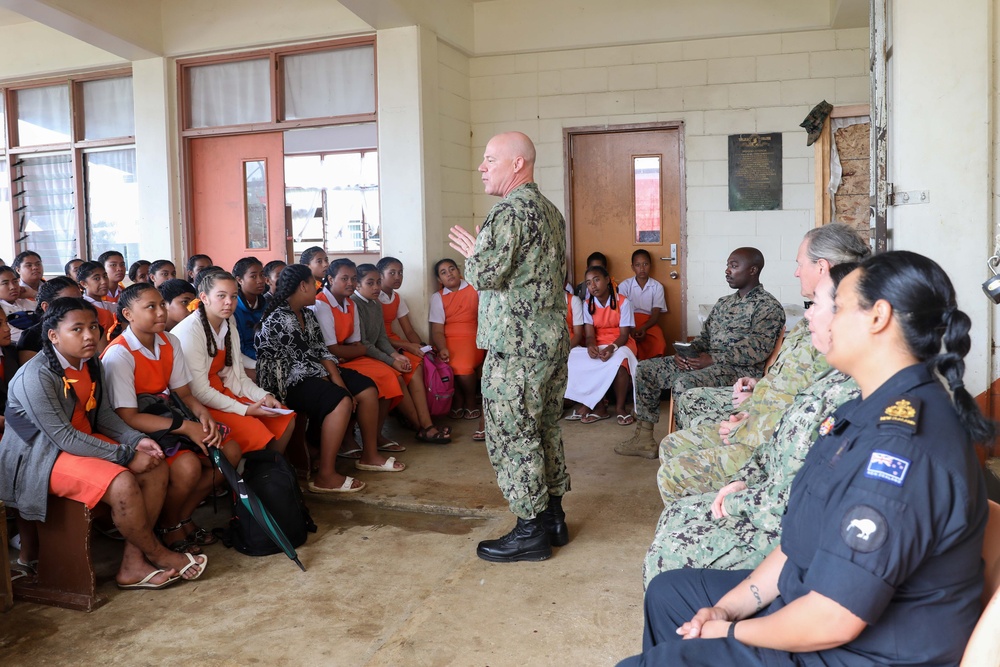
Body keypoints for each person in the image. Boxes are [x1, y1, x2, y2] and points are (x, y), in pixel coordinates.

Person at [618, 251, 992, 667]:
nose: (823, 320)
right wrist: (731, 607)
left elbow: (832, 619)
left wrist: (727, 631)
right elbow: (800, 541)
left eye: (837, 307)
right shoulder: (862, 409)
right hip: (812, 594)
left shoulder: (899, 452)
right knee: (669, 593)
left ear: (878, 317)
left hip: (853, 651)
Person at [642, 265, 859, 589]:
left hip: (782, 515)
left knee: (672, 538)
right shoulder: (830, 382)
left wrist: (738, 490)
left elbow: (804, 488)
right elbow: (781, 408)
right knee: (674, 509)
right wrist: (746, 409)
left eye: (817, 306)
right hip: (762, 452)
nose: (807, 316)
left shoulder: (853, 393)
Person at [647, 225, 871, 500]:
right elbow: (785, 382)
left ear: (822, 267)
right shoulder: (807, 321)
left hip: (769, 435)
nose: (796, 272)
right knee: (670, 438)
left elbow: (809, 414)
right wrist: (751, 389)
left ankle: (707, 520)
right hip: (756, 410)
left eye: (800, 264)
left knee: (676, 456)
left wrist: (747, 424)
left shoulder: (835, 335)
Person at [0, 298, 207, 589]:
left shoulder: (89, 361)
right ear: (54, 336)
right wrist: (124, 455)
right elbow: (62, 437)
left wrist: (137, 441)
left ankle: (132, 564)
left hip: (80, 442)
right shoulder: (36, 376)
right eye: (77, 329)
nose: (89, 335)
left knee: (155, 466)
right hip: (42, 455)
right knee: (122, 480)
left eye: (93, 327)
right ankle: (157, 553)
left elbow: (104, 414)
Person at [448, 131, 570, 562]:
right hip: (550, 342)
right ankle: (553, 518)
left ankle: (530, 530)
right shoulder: (551, 212)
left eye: (489, 160)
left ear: (517, 164)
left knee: (512, 435)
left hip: (517, 349)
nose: (481, 167)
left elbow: (484, 276)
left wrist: (475, 250)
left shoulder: (509, 212)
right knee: (544, 429)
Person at [102, 283, 241, 554]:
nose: (160, 312)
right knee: (188, 466)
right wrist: (186, 428)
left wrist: (203, 417)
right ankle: (168, 524)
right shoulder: (120, 353)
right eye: (150, 307)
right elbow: (128, 417)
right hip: (136, 427)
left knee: (230, 450)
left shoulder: (168, 341)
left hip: (167, 416)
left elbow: (184, 393)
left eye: (162, 305)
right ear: (128, 314)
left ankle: (180, 516)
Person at [616, 247, 785, 458]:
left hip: (737, 371)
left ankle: (684, 448)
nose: (727, 270)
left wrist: (712, 359)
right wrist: (689, 353)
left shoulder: (768, 306)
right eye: (727, 265)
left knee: (684, 383)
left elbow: (758, 348)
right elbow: (704, 337)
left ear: (752, 270)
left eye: (733, 266)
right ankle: (644, 439)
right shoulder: (724, 303)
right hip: (705, 362)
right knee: (647, 369)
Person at [255, 264, 384, 492]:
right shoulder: (280, 319)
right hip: (284, 381)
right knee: (340, 401)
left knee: (366, 388)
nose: (318, 287)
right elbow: (300, 362)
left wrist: (339, 381)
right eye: (314, 284)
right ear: (302, 286)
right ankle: (326, 475)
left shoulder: (306, 313)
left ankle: (370, 456)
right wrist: (337, 388)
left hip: (311, 370)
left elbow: (321, 350)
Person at [172, 270, 296, 455]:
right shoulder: (190, 331)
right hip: (199, 403)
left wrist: (263, 396)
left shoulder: (228, 323)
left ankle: (273, 471)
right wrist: (245, 411)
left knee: (285, 418)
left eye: (234, 296)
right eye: (221, 296)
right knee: (256, 432)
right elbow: (198, 391)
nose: (229, 302)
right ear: (204, 298)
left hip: (224, 391)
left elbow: (238, 376)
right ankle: (253, 478)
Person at [314, 258, 409, 456]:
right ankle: (349, 438)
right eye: (344, 278)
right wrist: (354, 350)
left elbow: (357, 343)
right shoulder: (321, 304)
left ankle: (375, 434)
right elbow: (331, 348)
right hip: (329, 362)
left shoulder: (350, 304)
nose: (350, 283)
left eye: (353, 278)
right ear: (330, 279)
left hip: (349, 356)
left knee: (390, 376)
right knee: (373, 383)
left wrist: (354, 350)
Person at [353, 263, 450, 444]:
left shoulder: (375, 303)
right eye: (370, 283)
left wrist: (397, 355)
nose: (376, 287)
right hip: (364, 354)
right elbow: (365, 343)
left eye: (378, 282)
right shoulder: (355, 304)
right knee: (398, 375)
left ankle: (425, 424)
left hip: (380, 349)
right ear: (358, 285)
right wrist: (392, 359)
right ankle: (423, 426)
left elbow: (381, 337)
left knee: (413, 365)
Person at [565, 265, 638, 424]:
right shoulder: (587, 303)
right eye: (589, 283)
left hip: (620, 343)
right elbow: (590, 335)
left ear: (607, 280)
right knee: (578, 360)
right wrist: (591, 346)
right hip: (599, 342)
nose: (593, 286)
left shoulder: (623, 302)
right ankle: (598, 406)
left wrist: (612, 348)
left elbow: (624, 335)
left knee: (621, 362)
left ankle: (620, 408)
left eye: (596, 280)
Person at [428, 258, 485, 421]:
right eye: (443, 273)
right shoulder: (437, 297)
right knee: (448, 362)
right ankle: (458, 399)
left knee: (464, 367)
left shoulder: (475, 289)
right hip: (448, 339)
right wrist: (442, 347)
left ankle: (469, 401)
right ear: (439, 280)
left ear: (459, 271)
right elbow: (437, 330)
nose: (449, 274)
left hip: (472, 337)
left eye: (451, 269)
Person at [17, 276, 81, 364]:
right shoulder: (31, 338)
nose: (79, 307)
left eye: (81, 301)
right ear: (46, 307)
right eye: (68, 303)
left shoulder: (90, 328)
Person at [618, 249, 668, 360]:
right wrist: (632, 329)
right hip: (628, 322)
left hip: (649, 323)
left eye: (645, 264)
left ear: (651, 265)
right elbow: (621, 312)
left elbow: (655, 314)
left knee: (659, 343)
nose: (642, 268)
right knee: (625, 343)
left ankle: (653, 368)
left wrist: (644, 328)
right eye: (638, 265)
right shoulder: (624, 286)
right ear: (632, 267)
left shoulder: (657, 286)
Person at [232, 256, 267, 379]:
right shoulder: (233, 309)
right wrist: (264, 359)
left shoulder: (267, 305)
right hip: (243, 359)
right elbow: (239, 348)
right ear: (239, 280)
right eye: (253, 276)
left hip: (265, 355)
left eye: (262, 275)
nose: (260, 280)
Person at [0, 265, 38, 345]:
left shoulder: (28, 302)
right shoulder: (1, 311)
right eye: (5, 283)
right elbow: (17, 336)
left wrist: (34, 294)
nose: (13, 287)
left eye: (15, 282)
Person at [76, 261, 117, 335]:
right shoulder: (83, 308)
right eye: (97, 278)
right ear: (84, 284)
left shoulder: (110, 306)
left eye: (105, 276)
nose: (104, 281)